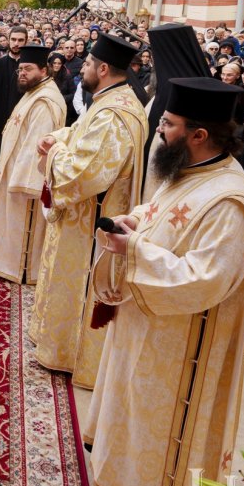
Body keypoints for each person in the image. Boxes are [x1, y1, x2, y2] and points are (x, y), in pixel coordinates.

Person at [88, 76, 244, 486]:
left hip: (183, 342)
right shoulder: (192, 170)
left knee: (156, 416)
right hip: (147, 319)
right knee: (132, 398)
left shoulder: (229, 199)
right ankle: (118, 477)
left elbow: (205, 279)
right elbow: (160, 213)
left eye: (167, 123)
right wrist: (134, 221)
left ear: (199, 134)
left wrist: (136, 250)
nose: (159, 130)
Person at [31, 34, 148, 388]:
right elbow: (83, 135)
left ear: (103, 68)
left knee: (78, 287)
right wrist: (58, 137)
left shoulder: (114, 114)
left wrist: (52, 154)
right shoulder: (110, 101)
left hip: (90, 226)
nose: (81, 68)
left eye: (86, 63)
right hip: (85, 217)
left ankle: (71, 354)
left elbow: (83, 172)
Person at [0, 45, 67, 284]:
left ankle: (21, 269)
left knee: (23, 229)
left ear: (44, 70)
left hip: (24, 185)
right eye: (20, 69)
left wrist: (23, 183)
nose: (22, 73)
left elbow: (36, 147)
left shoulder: (44, 101)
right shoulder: (34, 92)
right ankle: (5, 264)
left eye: (28, 69)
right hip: (12, 174)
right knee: (9, 225)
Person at [0, 26, 27, 205]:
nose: (16, 44)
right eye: (13, 39)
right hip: (0, 122)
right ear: (8, 40)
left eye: (20, 40)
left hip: (22, 121)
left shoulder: (28, 65)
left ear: (25, 41)